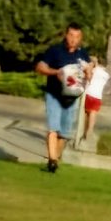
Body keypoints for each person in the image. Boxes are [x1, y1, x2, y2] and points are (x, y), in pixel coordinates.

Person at [34, 24, 92, 173]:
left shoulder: (82, 54)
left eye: (77, 37)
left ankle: (56, 159)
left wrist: (89, 73)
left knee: (64, 134)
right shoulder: (55, 51)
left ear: (81, 38)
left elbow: (89, 68)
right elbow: (40, 67)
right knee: (53, 128)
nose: (73, 39)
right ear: (66, 35)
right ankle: (52, 161)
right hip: (54, 94)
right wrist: (56, 73)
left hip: (71, 98)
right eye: (71, 35)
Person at [80, 56, 110, 146]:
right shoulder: (106, 75)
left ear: (98, 63)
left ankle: (84, 131)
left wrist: (92, 63)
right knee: (93, 113)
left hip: (88, 93)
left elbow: (87, 72)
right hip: (98, 96)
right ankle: (90, 130)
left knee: (86, 113)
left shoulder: (94, 70)